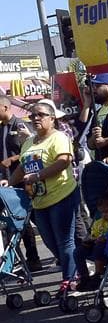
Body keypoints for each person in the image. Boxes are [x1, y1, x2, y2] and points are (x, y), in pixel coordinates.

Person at [7, 100, 78, 295]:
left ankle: (70, 280)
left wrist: (39, 175)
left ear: (52, 118)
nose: (35, 119)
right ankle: (76, 269)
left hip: (61, 195)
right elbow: (22, 166)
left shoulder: (59, 138)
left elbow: (64, 161)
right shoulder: (29, 142)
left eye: (40, 115)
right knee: (49, 241)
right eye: (32, 116)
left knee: (65, 241)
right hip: (38, 200)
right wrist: (10, 183)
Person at [0, 95, 41, 271]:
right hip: (7, 180)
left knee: (28, 219)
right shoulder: (2, 128)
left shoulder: (20, 125)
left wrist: (13, 158)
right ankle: (17, 261)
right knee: (12, 222)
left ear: (5, 108)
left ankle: (34, 258)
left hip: (22, 178)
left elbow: (30, 149)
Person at [75, 191, 108, 291]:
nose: (103, 215)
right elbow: (94, 235)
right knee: (78, 252)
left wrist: (105, 238)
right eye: (101, 212)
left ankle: (98, 274)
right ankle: (84, 276)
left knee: (99, 246)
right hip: (97, 247)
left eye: (106, 211)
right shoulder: (98, 223)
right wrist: (89, 240)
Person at [85, 73, 108, 163]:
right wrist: (93, 138)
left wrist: (106, 141)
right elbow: (90, 145)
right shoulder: (98, 112)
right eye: (92, 86)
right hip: (102, 163)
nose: (93, 90)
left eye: (97, 86)